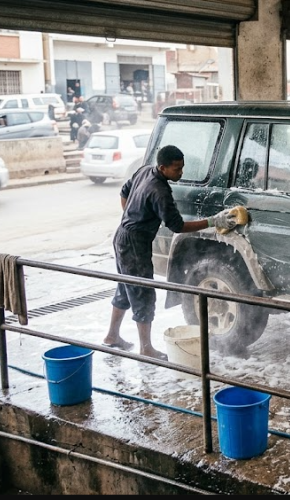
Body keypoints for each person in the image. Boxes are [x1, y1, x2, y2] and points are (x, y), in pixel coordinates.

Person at [102, 145, 240, 360]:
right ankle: (146, 347)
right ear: (163, 167)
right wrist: (213, 221)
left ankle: (112, 335)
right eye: (176, 169)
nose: (181, 173)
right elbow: (177, 226)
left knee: (124, 286)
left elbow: (124, 193)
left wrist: (131, 217)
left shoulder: (144, 170)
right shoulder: (160, 191)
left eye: (182, 167)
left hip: (122, 235)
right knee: (143, 293)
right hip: (135, 243)